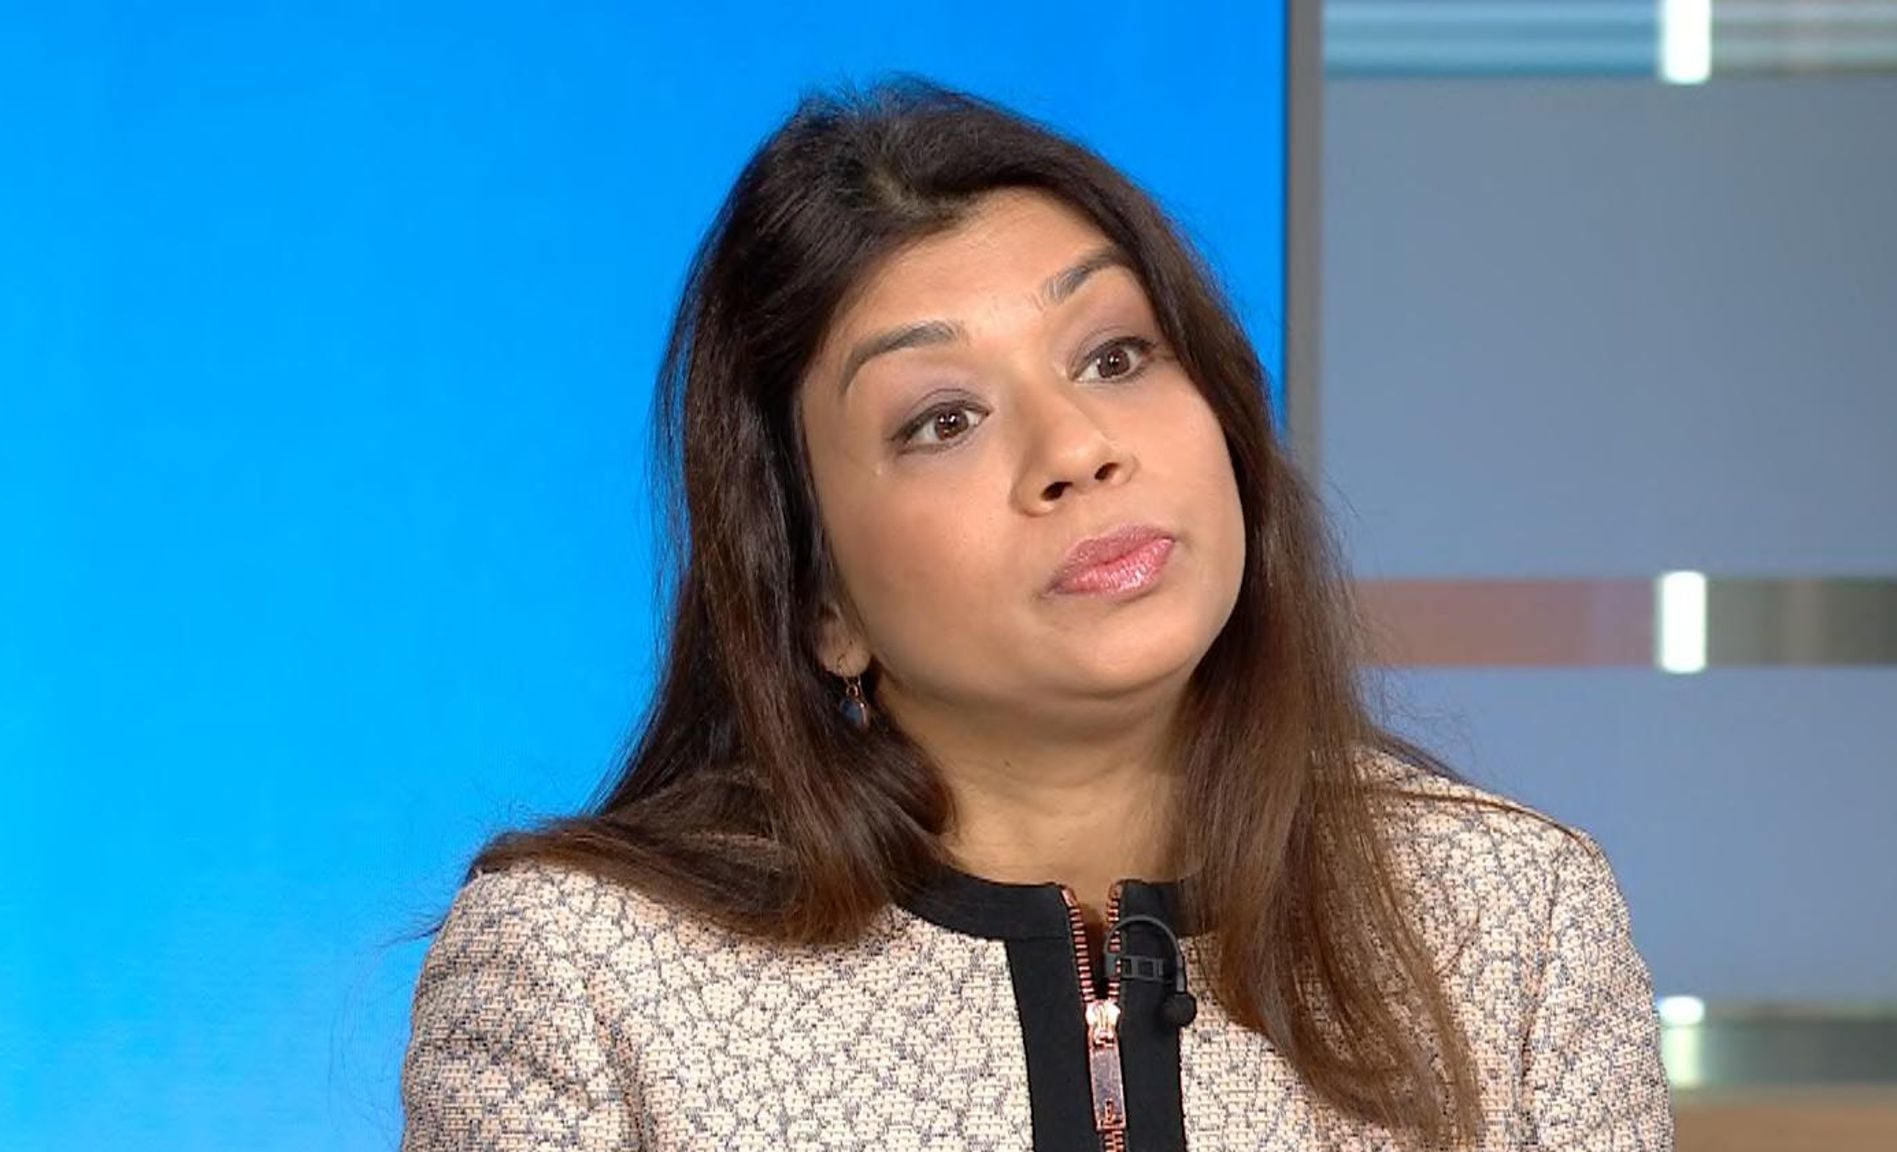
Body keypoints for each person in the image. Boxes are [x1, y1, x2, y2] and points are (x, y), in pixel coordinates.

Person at [398, 78, 1673, 1152]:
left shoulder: (1511, 919)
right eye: (942, 419)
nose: (1075, 448)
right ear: (819, 598)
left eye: (1114, 356)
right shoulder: (586, 977)